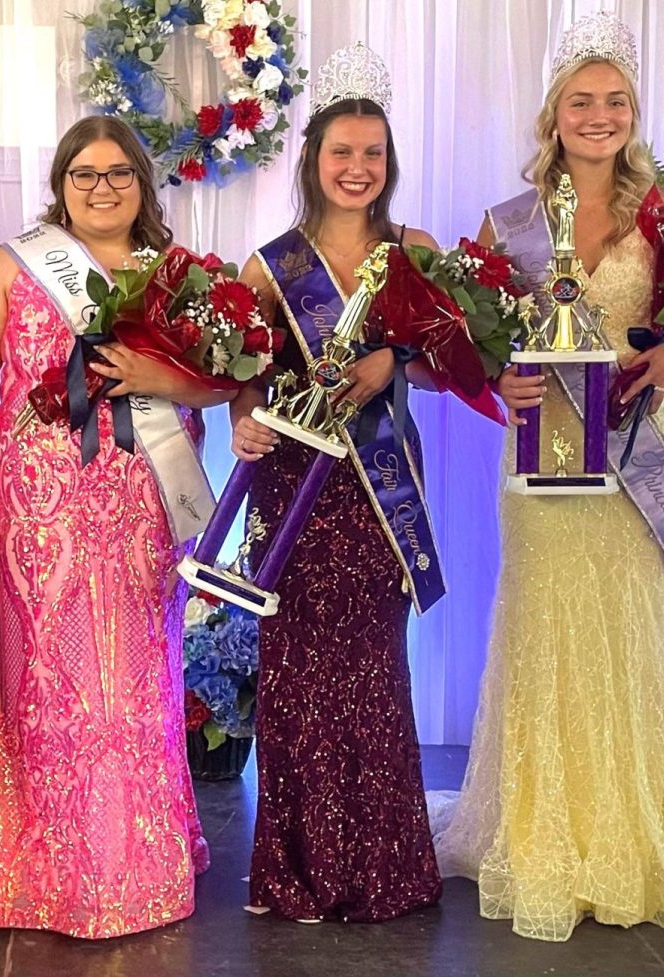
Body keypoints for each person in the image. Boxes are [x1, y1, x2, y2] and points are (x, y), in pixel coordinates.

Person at [434, 13, 664, 954]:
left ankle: (637, 837)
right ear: (554, 113)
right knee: (549, 620)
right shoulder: (508, 223)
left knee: (634, 624)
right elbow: (468, 340)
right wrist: (500, 378)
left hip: (641, 444)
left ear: (634, 112)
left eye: (614, 101)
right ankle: (545, 833)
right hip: (546, 448)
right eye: (583, 101)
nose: (599, 115)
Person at [0, 116, 228, 939]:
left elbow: (223, 386)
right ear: (61, 182)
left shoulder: (179, 276)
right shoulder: (13, 264)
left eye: (118, 173)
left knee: (138, 678)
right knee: (43, 677)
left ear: (143, 185)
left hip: (144, 501)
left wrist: (156, 375)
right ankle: (39, 867)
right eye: (84, 173)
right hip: (37, 504)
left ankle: (137, 855)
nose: (101, 187)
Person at [230, 43, 445, 923]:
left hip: (379, 482)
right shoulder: (269, 264)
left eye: (373, 154)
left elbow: (441, 372)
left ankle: (384, 870)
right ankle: (296, 873)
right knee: (296, 678)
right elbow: (242, 372)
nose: (358, 169)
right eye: (341, 153)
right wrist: (240, 416)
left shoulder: (415, 250)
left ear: (388, 165)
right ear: (312, 160)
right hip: (294, 488)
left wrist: (396, 352)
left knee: (372, 671)